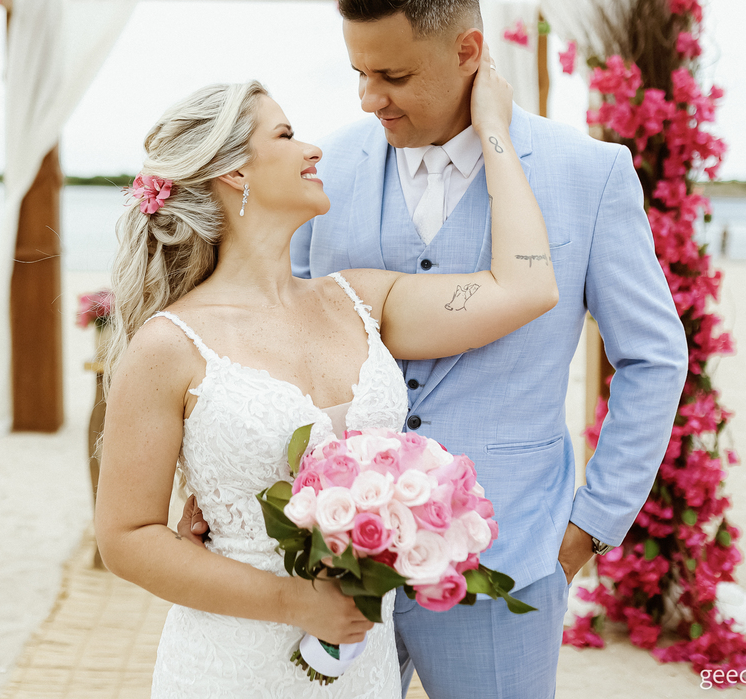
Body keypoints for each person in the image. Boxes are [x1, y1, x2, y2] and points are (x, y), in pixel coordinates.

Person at [181, 0, 689, 697]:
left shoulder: (589, 172)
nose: (369, 99)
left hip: (510, 551)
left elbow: (653, 357)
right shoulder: (324, 169)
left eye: (393, 76)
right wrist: (224, 479)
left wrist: (591, 524)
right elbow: (275, 336)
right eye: (359, 72)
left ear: (469, 51)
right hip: (334, 557)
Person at [95, 41, 557, 697]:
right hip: (232, 666)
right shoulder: (168, 346)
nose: (314, 149)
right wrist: (295, 603)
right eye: (286, 135)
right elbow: (125, 538)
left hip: (362, 668)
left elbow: (527, 288)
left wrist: (493, 132)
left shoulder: (362, 300)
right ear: (234, 172)